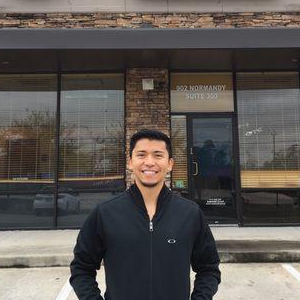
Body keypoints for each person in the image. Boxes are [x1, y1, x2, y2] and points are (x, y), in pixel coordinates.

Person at [70, 129, 221, 300]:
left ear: (170, 164)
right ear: (130, 162)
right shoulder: (105, 213)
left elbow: (209, 269)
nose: (149, 162)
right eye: (141, 154)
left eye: (158, 155)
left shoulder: (190, 213)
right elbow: (81, 268)